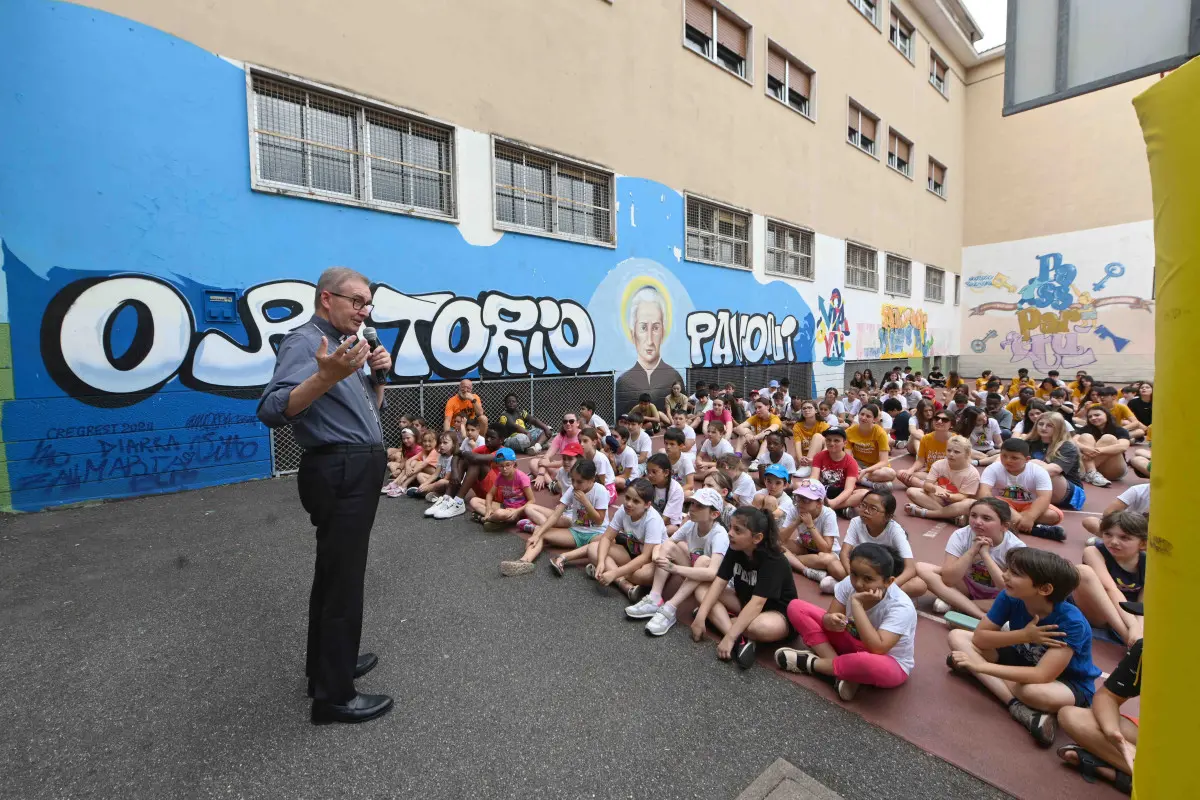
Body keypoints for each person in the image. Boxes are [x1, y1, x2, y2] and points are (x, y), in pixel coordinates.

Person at [257, 265, 393, 724]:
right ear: (326, 299)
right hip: (340, 469)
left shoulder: (347, 348)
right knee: (344, 583)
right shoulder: (306, 342)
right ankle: (334, 697)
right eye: (356, 301)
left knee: (334, 575)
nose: (364, 310)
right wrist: (326, 377)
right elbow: (273, 408)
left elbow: (368, 414)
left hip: (354, 465)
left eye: (368, 303)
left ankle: (326, 666)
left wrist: (377, 376)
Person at [947, 548, 1101, 747]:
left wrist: (979, 667)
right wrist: (1024, 635)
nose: (1005, 575)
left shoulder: (1071, 623)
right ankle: (1018, 707)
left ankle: (985, 678)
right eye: (1009, 569)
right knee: (957, 636)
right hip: (1023, 658)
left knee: (1033, 692)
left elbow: (1042, 675)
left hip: (1066, 682)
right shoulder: (1010, 596)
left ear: (1044, 589)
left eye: (1015, 574)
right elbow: (980, 639)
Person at [775, 542, 917, 702]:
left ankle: (813, 664)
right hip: (851, 642)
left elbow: (877, 648)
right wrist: (830, 620)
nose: (858, 583)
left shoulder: (901, 606)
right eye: (854, 574)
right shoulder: (848, 584)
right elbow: (829, 621)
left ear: (888, 582)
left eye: (868, 579)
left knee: (866, 662)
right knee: (796, 607)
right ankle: (842, 673)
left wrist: (857, 605)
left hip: (888, 660)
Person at [691, 506, 797, 669]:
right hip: (745, 602)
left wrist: (729, 638)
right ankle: (740, 640)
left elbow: (758, 603)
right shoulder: (736, 547)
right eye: (731, 527)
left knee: (759, 627)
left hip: (777, 614)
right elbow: (719, 582)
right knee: (702, 589)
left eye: (738, 530)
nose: (730, 533)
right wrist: (701, 616)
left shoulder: (774, 560)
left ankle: (722, 621)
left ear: (757, 538)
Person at [629, 487, 729, 635]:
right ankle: (655, 597)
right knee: (669, 546)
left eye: (699, 506)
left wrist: (674, 568)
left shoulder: (720, 535)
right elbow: (666, 544)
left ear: (714, 514)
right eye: (693, 503)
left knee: (703, 560)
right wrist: (657, 555)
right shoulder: (690, 524)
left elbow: (712, 573)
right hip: (693, 572)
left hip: (712, 583)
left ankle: (670, 608)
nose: (692, 508)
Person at [915, 498, 1026, 619]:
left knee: (1018, 600)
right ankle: (979, 614)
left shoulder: (1016, 547)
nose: (977, 522)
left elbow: (1007, 589)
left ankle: (958, 603)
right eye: (973, 515)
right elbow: (949, 579)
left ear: (1004, 526)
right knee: (921, 568)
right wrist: (972, 551)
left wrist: (985, 555)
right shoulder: (961, 535)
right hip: (966, 587)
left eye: (986, 518)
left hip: (996, 597)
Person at [1057, 637, 1140, 794]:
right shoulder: (1146, 649)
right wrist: (1114, 734)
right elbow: (1107, 697)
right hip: (1161, 738)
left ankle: (1121, 775)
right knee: (1072, 717)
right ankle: (1140, 775)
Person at [501, 458, 609, 577]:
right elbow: (556, 515)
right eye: (572, 480)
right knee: (541, 533)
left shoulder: (601, 491)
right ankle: (524, 561)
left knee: (602, 544)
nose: (574, 485)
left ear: (591, 480)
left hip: (596, 534)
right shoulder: (573, 489)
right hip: (576, 532)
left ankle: (569, 558)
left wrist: (585, 502)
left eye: (579, 481)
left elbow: (599, 520)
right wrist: (537, 534)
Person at [584, 478, 667, 602]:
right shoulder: (623, 510)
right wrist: (601, 561)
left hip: (649, 562)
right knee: (593, 548)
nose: (629, 503)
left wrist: (615, 573)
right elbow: (607, 537)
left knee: (643, 575)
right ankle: (624, 584)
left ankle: (612, 572)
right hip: (630, 555)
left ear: (647, 505)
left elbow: (645, 557)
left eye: (635, 501)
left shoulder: (652, 519)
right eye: (627, 498)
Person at [1072, 511, 1146, 646]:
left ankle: (1136, 639)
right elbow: (1110, 588)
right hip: (1100, 611)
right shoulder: (1094, 552)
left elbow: (1143, 602)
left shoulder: (1147, 561)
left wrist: (1140, 628)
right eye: (1108, 534)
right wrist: (1131, 628)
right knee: (1083, 572)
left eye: (1124, 538)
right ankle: (1132, 642)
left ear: (1142, 544)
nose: (1113, 542)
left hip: (1129, 613)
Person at [840, 491, 925, 598]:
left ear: (888, 516)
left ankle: (876, 594)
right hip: (862, 573)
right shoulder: (856, 522)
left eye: (873, 508)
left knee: (919, 585)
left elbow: (910, 569)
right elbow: (844, 553)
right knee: (835, 566)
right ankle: (869, 593)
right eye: (863, 505)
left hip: (886, 577)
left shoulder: (895, 530)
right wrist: (852, 577)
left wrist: (886, 588)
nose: (865, 511)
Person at [978, 438, 1066, 541]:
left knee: (1054, 515)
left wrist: (1030, 517)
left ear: (1027, 459)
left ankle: (1008, 524)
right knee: (994, 507)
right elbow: (984, 493)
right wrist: (1016, 515)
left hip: (1029, 505)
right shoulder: (993, 469)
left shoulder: (1039, 472)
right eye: (1004, 456)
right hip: (1003, 504)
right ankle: (1035, 530)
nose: (1008, 460)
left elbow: (1044, 497)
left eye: (1014, 458)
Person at [615, 285, 684, 414]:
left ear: (663, 331)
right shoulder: (623, 382)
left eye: (656, 328)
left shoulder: (674, 377)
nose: (650, 340)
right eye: (643, 328)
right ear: (632, 332)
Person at [428, 426, 505, 520]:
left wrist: (462, 452)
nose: (488, 440)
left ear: (501, 440)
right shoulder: (484, 448)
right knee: (464, 460)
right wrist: (455, 472)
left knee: (476, 462)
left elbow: (474, 458)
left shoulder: (503, 452)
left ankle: (459, 502)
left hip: (497, 493)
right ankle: (447, 498)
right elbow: (457, 455)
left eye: (492, 438)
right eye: (486, 436)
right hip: (483, 492)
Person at [782, 479, 845, 589]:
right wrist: (797, 521)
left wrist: (810, 525)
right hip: (804, 547)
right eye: (798, 498)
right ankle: (807, 570)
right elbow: (780, 539)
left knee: (827, 559)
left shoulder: (828, 514)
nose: (800, 503)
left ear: (819, 503)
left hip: (825, 554)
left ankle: (791, 560)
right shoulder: (795, 509)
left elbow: (826, 549)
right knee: (776, 546)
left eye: (806, 500)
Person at [903, 435, 980, 522]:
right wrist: (935, 488)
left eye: (956, 452)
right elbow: (927, 484)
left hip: (956, 503)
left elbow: (962, 496)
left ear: (967, 454)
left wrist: (950, 496)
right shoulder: (939, 464)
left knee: (971, 503)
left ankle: (926, 513)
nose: (951, 454)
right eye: (949, 450)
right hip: (938, 499)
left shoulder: (973, 473)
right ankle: (951, 517)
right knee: (911, 491)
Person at [1025, 412, 1087, 513]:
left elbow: (1054, 470)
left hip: (1069, 493)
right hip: (1041, 487)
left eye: (1049, 425)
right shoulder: (1029, 442)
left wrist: (1023, 468)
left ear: (1058, 428)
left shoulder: (1067, 446)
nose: (1044, 428)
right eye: (1041, 424)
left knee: (1037, 464)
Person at [467, 447, 534, 531]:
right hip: (505, 506)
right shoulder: (500, 476)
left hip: (518, 511)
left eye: (508, 465)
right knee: (473, 501)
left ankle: (484, 519)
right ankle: (496, 519)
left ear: (514, 464)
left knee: (499, 513)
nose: (504, 469)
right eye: (501, 466)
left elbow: (532, 501)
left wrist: (516, 511)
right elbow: (490, 494)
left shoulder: (522, 477)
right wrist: (488, 509)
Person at [812, 427, 864, 517]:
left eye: (836, 441)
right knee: (799, 484)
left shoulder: (851, 462)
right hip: (823, 490)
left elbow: (848, 489)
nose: (832, 443)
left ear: (844, 443)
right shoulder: (819, 456)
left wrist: (833, 503)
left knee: (864, 494)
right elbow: (813, 479)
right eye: (828, 440)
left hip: (841, 492)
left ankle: (825, 507)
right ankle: (840, 509)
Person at [1074, 406, 1131, 486]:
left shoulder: (1119, 430)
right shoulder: (1086, 429)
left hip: (1113, 468)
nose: (1093, 418)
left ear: (1107, 415)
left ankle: (1086, 472)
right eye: (1090, 417)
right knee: (1086, 436)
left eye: (1097, 415)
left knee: (1108, 438)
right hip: (1093, 467)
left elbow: (1123, 446)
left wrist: (1096, 451)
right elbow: (1073, 441)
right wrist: (1086, 448)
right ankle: (1092, 473)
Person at [897, 409, 953, 489]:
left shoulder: (956, 440)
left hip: (950, 476)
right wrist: (911, 470)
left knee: (912, 491)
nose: (939, 421)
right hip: (930, 474)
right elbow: (920, 461)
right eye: (936, 418)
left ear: (951, 425)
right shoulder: (926, 438)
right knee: (901, 474)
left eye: (945, 420)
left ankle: (930, 488)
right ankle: (932, 489)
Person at [847, 405, 895, 491]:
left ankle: (856, 478)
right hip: (857, 464)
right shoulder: (849, 431)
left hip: (875, 468)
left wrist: (866, 471)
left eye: (868, 416)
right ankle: (871, 484)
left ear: (875, 419)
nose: (863, 418)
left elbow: (884, 461)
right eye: (861, 414)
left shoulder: (880, 433)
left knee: (891, 474)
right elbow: (848, 456)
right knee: (842, 467)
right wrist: (856, 467)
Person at [530, 413, 581, 491]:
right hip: (562, 468)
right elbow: (547, 456)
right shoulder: (561, 436)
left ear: (578, 423)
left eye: (571, 421)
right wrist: (541, 473)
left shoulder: (581, 436)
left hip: (574, 468)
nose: (568, 423)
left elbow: (573, 461)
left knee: (560, 471)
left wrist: (548, 464)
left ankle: (541, 476)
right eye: (565, 421)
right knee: (533, 462)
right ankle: (551, 484)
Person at [403, 430, 458, 499]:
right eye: (440, 443)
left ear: (453, 444)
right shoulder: (442, 456)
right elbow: (435, 474)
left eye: (445, 443)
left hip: (449, 484)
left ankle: (425, 492)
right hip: (439, 480)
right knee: (420, 475)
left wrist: (428, 486)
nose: (441, 445)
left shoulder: (454, 458)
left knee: (441, 482)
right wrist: (424, 484)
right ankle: (432, 493)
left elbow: (446, 478)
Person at [1083, 482, 1148, 535]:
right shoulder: (1138, 490)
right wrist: (1121, 526)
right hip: (1131, 529)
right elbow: (1109, 513)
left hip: (1151, 534)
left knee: (1090, 550)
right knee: (1090, 521)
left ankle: (1109, 542)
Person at [644, 452, 685, 533]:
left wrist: (650, 530)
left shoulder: (676, 489)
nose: (650, 475)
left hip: (667, 522)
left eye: (654, 472)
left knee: (672, 529)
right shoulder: (648, 484)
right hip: (651, 519)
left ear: (666, 473)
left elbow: (665, 519)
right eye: (648, 471)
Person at [736, 398, 782, 463]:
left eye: (760, 407)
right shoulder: (756, 417)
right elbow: (738, 428)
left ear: (768, 406)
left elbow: (769, 431)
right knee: (744, 431)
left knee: (769, 436)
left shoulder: (774, 418)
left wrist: (754, 437)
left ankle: (758, 461)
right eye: (756, 408)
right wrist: (746, 435)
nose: (757, 410)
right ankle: (736, 458)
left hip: (771, 451)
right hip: (756, 448)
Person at [791, 400, 828, 476]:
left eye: (809, 408)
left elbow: (827, 447)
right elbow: (797, 446)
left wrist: (814, 460)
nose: (806, 410)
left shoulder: (823, 425)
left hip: (818, 458)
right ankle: (805, 468)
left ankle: (808, 468)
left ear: (816, 410)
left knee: (817, 436)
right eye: (804, 408)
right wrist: (801, 460)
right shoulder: (797, 426)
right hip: (803, 459)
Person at [579, 426, 616, 502]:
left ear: (594, 442)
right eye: (580, 441)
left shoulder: (599, 459)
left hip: (608, 490)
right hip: (593, 485)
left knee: (585, 500)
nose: (581, 444)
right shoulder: (584, 455)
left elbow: (602, 483)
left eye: (585, 441)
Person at [663, 427, 696, 496]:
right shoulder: (663, 458)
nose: (668, 447)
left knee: (688, 494)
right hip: (669, 488)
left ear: (681, 446)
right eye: (666, 443)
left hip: (683, 488)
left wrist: (675, 491)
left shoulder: (686, 461)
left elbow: (690, 485)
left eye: (672, 444)